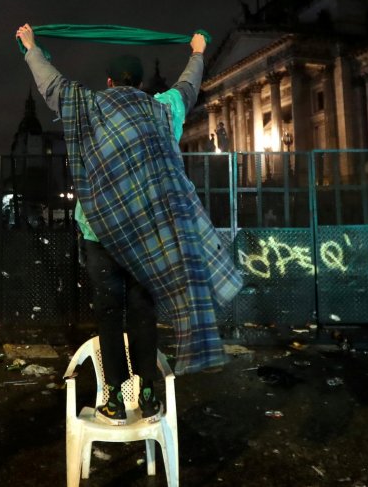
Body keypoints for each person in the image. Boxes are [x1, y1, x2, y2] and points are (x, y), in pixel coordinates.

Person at [17, 23, 242, 425]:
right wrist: (198, 52)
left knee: (109, 314)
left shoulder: (87, 105)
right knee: (142, 311)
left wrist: (32, 48)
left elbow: (51, 85)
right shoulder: (161, 109)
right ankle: (149, 389)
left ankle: (115, 399)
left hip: (99, 233)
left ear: (107, 81)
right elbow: (189, 87)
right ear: (138, 83)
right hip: (148, 234)